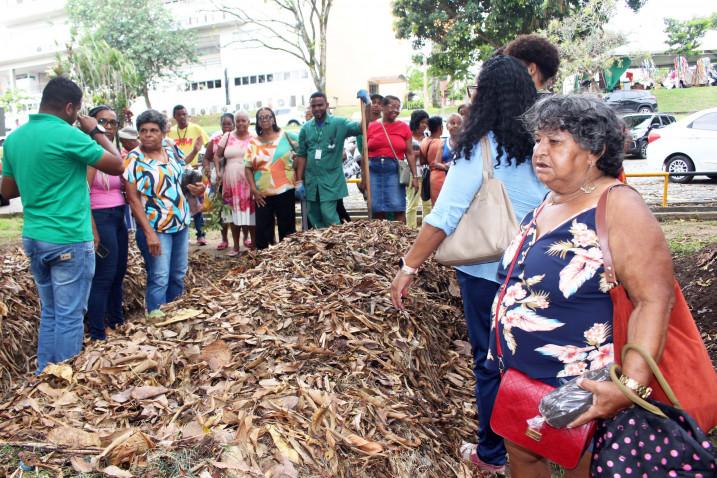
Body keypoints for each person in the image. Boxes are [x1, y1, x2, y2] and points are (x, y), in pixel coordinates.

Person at [488, 94, 675, 477]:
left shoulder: (619, 206)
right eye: (539, 140)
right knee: (523, 456)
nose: (540, 150)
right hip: (524, 380)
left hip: (585, 392)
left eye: (555, 142)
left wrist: (630, 387)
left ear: (594, 151)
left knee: (585, 467)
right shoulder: (551, 200)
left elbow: (654, 300)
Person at [390, 55, 547, 475]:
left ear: (486, 96)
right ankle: (540, 438)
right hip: (540, 267)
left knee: (490, 360)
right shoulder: (545, 141)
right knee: (532, 357)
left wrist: (408, 267)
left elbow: (444, 215)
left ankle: (493, 453)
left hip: (487, 272)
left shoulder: (480, 144)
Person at [0, 76, 124, 373]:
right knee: (69, 316)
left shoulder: (16, 138)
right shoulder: (69, 135)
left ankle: (45, 374)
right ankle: (61, 382)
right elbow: (118, 164)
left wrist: (39, 177)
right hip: (68, 236)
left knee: (52, 312)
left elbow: (6, 191)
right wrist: (96, 130)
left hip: (34, 237)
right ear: (70, 108)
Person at [124, 109, 205, 317]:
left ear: (162, 133)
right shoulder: (134, 159)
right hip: (156, 227)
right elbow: (133, 199)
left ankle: (175, 313)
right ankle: (156, 319)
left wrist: (198, 188)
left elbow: (182, 177)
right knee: (159, 276)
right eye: (143, 131)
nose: (148, 135)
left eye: (153, 130)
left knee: (178, 273)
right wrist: (149, 232)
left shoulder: (171, 150)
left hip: (180, 222)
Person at [86, 105, 129, 340]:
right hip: (100, 217)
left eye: (113, 122)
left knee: (119, 271)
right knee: (104, 274)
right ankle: (97, 332)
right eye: (103, 122)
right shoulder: (90, 152)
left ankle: (117, 321)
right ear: (92, 125)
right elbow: (83, 191)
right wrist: (92, 228)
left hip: (118, 214)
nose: (109, 127)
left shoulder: (113, 153)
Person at [296, 92, 362, 229]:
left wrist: (367, 105)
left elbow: (361, 127)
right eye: (313, 106)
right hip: (311, 181)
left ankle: (337, 246)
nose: (317, 108)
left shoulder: (339, 123)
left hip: (331, 180)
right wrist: (299, 181)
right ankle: (321, 247)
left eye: (320, 105)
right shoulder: (306, 128)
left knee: (329, 214)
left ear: (327, 105)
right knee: (313, 216)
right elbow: (302, 155)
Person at [245, 107, 298, 249]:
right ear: (258, 122)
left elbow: (303, 152)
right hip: (262, 193)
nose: (265, 120)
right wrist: (254, 190)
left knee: (287, 230)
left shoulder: (287, 136)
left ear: (274, 118)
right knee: (263, 231)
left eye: (268, 116)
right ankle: (264, 261)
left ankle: (288, 260)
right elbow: (248, 167)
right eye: (261, 118)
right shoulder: (253, 142)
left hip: (285, 189)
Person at [365, 95, 419, 222]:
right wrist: (363, 177)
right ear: (382, 107)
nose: (396, 110)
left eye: (398, 107)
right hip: (373, 171)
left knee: (398, 206)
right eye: (392, 106)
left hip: (394, 170)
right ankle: (380, 239)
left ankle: (400, 238)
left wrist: (415, 177)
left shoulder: (404, 127)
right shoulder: (370, 126)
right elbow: (364, 153)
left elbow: (410, 153)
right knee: (376, 208)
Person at [167, 105, 209, 245]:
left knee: (196, 203)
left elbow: (209, 145)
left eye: (185, 114)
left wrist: (204, 161)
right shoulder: (170, 132)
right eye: (179, 114)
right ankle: (183, 235)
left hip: (193, 171)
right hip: (177, 172)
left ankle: (201, 234)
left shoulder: (196, 129)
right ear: (175, 117)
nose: (182, 117)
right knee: (180, 202)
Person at [216, 111, 255, 254]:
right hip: (230, 180)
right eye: (238, 121)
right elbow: (217, 155)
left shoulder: (254, 138)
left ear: (248, 122)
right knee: (232, 214)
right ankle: (236, 246)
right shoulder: (227, 136)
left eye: (243, 121)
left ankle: (254, 245)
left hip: (248, 179)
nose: (240, 124)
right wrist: (219, 171)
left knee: (251, 212)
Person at [204, 113, 235, 251]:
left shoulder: (239, 139)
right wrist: (207, 169)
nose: (227, 127)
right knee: (222, 210)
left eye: (229, 124)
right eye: (224, 124)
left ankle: (245, 237)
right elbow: (206, 158)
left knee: (238, 209)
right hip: (219, 181)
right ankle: (224, 239)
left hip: (236, 180)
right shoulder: (215, 140)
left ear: (234, 124)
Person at [406, 109, 432, 227]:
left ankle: (425, 228)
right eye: (422, 122)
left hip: (426, 173)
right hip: (412, 173)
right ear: (415, 121)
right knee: (412, 204)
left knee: (428, 204)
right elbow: (407, 154)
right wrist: (420, 153)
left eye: (426, 123)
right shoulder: (408, 136)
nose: (424, 125)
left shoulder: (427, 136)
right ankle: (410, 229)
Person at [428, 113, 462, 204]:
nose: (456, 126)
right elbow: (436, 163)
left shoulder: (466, 143)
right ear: (447, 126)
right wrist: (447, 166)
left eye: (459, 123)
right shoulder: (443, 143)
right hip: (448, 181)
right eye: (452, 123)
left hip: (463, 181)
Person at [419, 116, 444, 205]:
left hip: (431, 175)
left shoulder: (424, 141)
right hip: (441, 175)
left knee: (435, 205)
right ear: (440, 127)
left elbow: (422, 161)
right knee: (441, 204)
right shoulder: (439, 143)